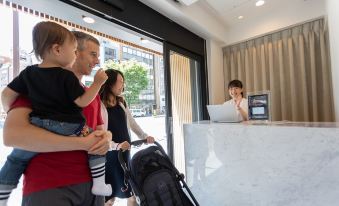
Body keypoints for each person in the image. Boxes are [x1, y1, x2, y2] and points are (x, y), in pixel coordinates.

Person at [0, 21, 111, 203]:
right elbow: (12, 136)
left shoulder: (93, 96)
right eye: (92, 54)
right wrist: (83, 143)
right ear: (68, 51)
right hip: (50, 184)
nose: (98, 61)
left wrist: (106, 138)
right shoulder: (37, 89)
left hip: (91, 186)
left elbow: (101, 131)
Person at [100, 69, 155, 206]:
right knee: (110, 197)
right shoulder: (100, 104)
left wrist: (144, 136)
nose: (122, 86)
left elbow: (132, 123)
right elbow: (100, 133)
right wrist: (116, 145)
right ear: (110, 82)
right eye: (120, 82)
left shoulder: (121, 102)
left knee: (132, 192)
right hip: (110, 156)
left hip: (125, 154)